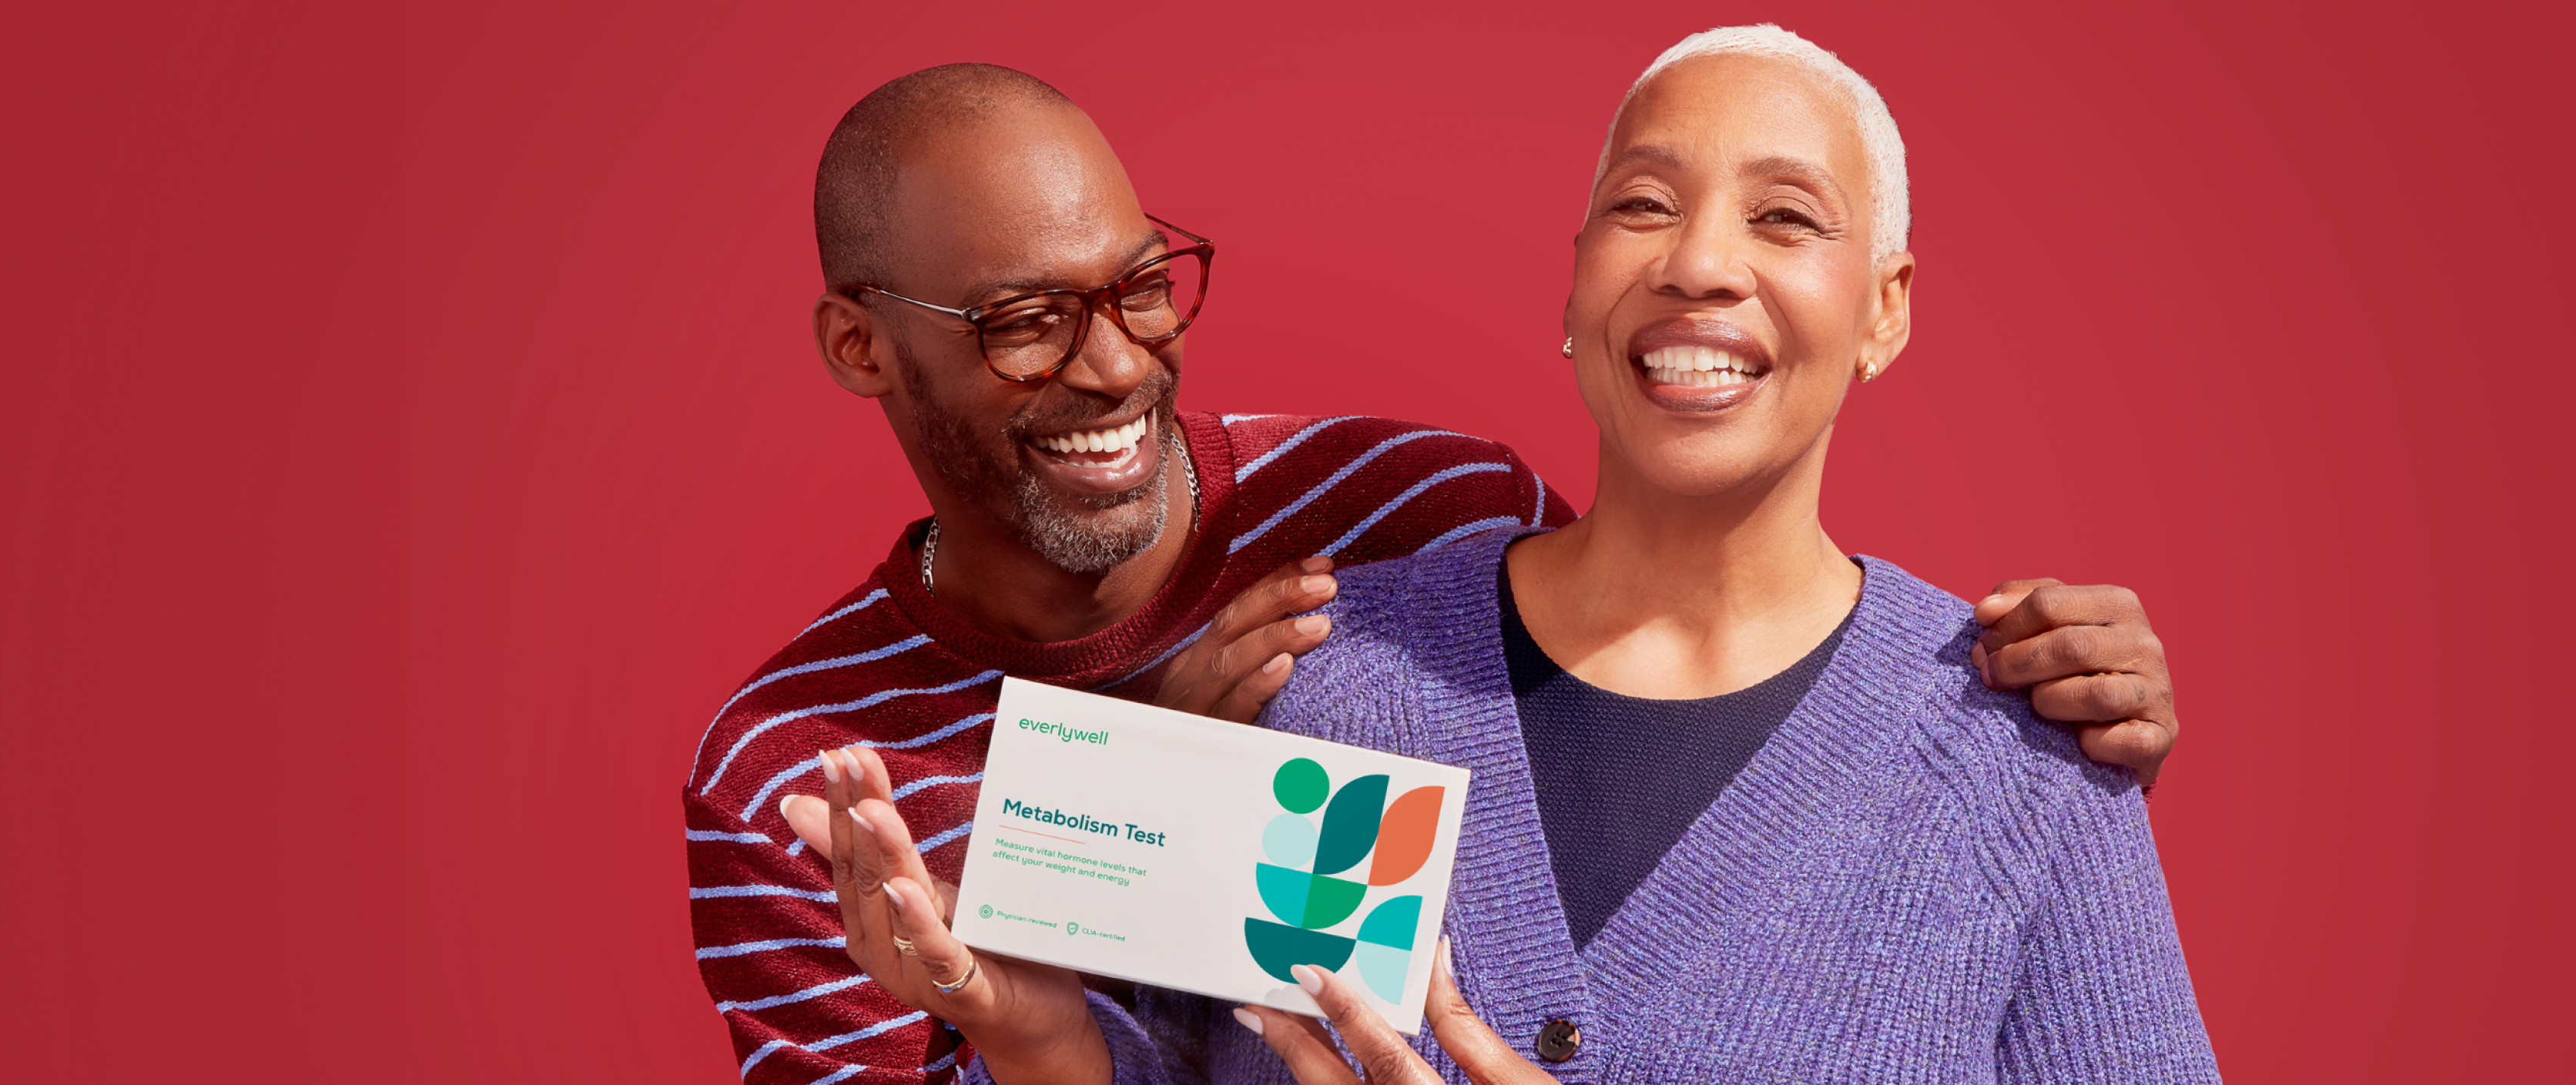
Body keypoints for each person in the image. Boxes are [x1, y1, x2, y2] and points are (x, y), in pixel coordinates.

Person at [705, 61, 2189, 1085]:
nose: (1112, 364)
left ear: (1886, 309)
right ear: (861, 346)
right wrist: (1046, 1014)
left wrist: (2022, 715)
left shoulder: (1395, 512)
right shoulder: (788, 776)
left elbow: (1679, 616)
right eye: (1024, 318)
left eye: (1144, 287)